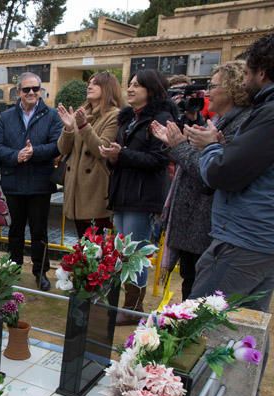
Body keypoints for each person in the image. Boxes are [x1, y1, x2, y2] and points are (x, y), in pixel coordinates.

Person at [187, 33, 274, 311]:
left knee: (197, 321)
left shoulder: (268, 114)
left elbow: (222, 174)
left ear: (261, 72)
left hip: (244, 240)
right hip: (257, 239)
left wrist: (210, 147)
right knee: (243, 334)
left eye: (247, 73)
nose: (245, 80)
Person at [151, 61, 251, 300]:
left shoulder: (241, 125)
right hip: (193, 225)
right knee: (190, 286)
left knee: (199, 296)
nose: (206, 93)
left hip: (207, 227)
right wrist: (177, 144)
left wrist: (179, 147)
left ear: (232, 89)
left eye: (213, 86)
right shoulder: (218, 122)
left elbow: (212, 174)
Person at [99, 69, 174, 323]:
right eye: (129, 85)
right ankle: (125, 304)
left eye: (137, 86)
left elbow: (160, 159)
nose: (130, 89)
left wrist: (122, 155)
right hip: (122, 193)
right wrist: (113, 156)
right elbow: (123, 155)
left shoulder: (161, 119)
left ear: (150, 90)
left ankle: (133, 308)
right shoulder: (128, 118)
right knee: (123, 251)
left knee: (136, 253)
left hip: (142, 197)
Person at [0, 73, 63, 290]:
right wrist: (16, 156)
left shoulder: (51, 116)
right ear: (18, 91)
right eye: (26, 89)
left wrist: (34, 152)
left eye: (35, 88)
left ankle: (40, 271)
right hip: (13, 183)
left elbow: (57, 145)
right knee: (15, 231)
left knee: (40, 232)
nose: (31, 93)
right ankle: (13, 269)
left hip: (40, 183)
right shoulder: (6, 117)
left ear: (40, 90)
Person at [57, 72, 123, 237]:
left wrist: (83, 126)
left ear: (107, 88)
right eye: (89, 83)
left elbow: (103, 149)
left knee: (96, 247)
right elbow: (63, 150)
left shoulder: (114, 115)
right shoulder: (82, 113)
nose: (89, 86)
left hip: (95, 189)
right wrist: (69, 128)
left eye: (95, 83)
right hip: (76, 190)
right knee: (83, 244)